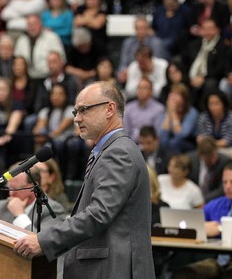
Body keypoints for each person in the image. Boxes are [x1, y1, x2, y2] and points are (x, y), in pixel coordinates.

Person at [14, 81, 155, 278]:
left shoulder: (119, 152)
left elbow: (98, 214)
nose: (77, 119)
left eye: (83, 110)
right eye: (75, 112)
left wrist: (44, 240)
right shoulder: (108, 151)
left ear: (109, 109)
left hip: (114, 270)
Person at [171, 162, 232, 279]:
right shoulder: (217, 204)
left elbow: (217, 229)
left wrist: (220, 229)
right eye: (225, 182)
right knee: (184, 274)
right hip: (217, 261)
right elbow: (194, 223)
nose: (228, 187)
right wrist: (201, 227)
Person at [0, 165, 66, 232]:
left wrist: (20, 215)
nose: (11, 193)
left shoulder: (53, 210)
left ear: (33, 188)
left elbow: (42, 243)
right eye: (9, 187)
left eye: (16, 189)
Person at [14, 14, 66, 80]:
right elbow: (17, 62)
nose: (32, 27)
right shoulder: (21, 40)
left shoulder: (52, 37)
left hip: (48, 78)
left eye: (34, 24)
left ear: (41, 24)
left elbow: (62, 60)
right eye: (29, 25)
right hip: (27, 80)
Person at [118, 16, 167, 85]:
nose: (140, 31)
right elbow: (123, 63)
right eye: (138, 28)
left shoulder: (156, 43)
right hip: (131, 75)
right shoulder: (128, 43)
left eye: (143, 28)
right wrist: (123, 72)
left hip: (151, 75)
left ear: (148, 29)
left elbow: (156, 63)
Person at [186, 136, 232, 203]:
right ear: (200, 156)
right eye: (209, 159)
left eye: (214, 156)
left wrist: (201, 200)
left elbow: (222, 189)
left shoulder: (225, 162)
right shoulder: (190, 161)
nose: (213, 160)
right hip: (192, 200)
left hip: (213, 201)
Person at [123, 77, 165, 143]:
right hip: (130, 144)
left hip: (149, 145)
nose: (141, 91)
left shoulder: (159, 109)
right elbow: (125, 131)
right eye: (139, 88)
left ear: (151, 91)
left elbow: (157, 134)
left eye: (144, 88)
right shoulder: (129, 107)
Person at [159, 83, 199, 154]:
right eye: (171, 93)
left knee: (174, 142)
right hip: (172, 143)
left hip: (188, 145)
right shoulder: (166, 111)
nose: (172, 96)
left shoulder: (192, 112)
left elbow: (182, 135)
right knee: (163, 142)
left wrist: (173, 113)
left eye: (177, 94)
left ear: (184, 99)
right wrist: (169, 114)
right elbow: (162, 135)